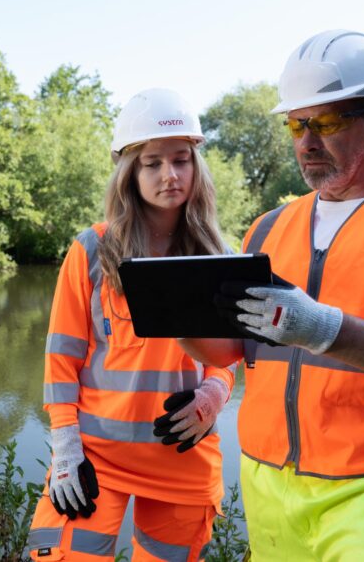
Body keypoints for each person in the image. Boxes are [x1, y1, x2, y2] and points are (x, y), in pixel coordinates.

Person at [181, 29, 364, 560]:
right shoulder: (265, 229)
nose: (307, 142)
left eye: (326, 123)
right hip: (267, 487)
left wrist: (325, 330)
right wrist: (181, 316)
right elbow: (236, 353)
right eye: (296, 125)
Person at [26, 88, 237, 562]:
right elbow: (61, 358)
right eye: (153, 163)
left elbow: (228, 358)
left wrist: (213, 395)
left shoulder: (216, 257)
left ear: (195, 166)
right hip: (94, 457)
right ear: (129, 171)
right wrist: (64, 448)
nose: (170, 174)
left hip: (183, 458)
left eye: (181, 160)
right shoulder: (93, 250)